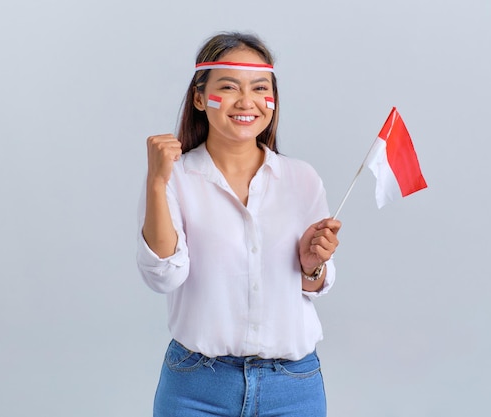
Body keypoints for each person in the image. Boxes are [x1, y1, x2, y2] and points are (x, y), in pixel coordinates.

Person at [137, 32, 342, 417]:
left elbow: (314, 283)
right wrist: (156, 182)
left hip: (292, 388)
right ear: (200, 98)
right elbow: (163, 276)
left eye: (259, 88)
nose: (246, 102)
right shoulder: (173, 178)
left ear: (273, 99)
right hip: (196, 387)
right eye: (228, 87)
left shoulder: (303, 179)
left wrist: (312, 263)